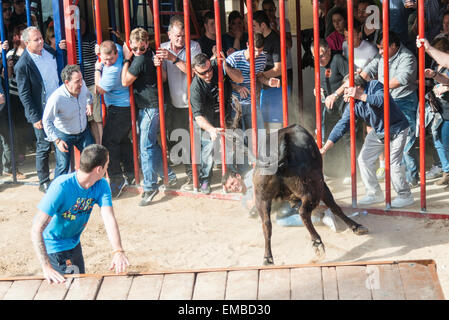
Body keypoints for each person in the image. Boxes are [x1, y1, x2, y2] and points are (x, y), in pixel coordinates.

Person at [30, 144, 130, 284]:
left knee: (79, 285)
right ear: (99, 169)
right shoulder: (61, 187)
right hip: (55, 246)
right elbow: (36, 228)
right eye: (107, 165)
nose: (108, 168)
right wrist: (46, 267)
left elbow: (108, 217)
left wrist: (118, 250)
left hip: (74, 243)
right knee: (71, 289)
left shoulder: (101, 185)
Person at [320, 74, 414, 208]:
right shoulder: (353, 104)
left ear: (357, 86)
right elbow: (341, 126)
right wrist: (324, 148)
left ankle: (405, 196)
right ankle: (374, 193)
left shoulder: (374, 85)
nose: (345, 92)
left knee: (393, 163)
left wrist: (359, 96)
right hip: (379, 131)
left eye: (347, 88)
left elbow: (382, 100)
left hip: (397, 127)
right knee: (363, 159)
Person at [122, 28, 178, 206]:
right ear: (131, 45)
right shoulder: (151, 53)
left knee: (145, 147)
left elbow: (124, 82)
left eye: (141, 48)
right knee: (150, 144)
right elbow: (162, 78)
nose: (139, 51)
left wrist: (126, 59)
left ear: (146, 44)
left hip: (149, 107)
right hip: (153, 105)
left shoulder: (138, 60)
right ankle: (168, 175)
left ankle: (150, 186)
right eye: (136, 48)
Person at [361, 31, 420, 188]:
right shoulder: (381, 57)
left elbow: (400, 80)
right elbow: (366, 72)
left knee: (406, 143)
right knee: (385, 139)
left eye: (382, 48)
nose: (380, 52)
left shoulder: (407, 57)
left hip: (404, 102)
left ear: (394, 45)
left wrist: (373, 91)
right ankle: (396, 176)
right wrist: (359, 80)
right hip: (386, 101)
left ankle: (411, 177)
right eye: (379, 48)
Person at [156, 15, 202, 191]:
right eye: (177, 36)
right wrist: (158, 65)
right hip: (175, 103)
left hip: (192, 102)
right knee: (176, 141)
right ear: (169, 34)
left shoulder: (194, 46)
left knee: (192, 141)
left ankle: (194, 177)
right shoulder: (163, 48)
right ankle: (188, 173)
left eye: (183, 35)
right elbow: (164, 79)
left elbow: (193, 71)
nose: (180, 39)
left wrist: (173, 58)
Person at [15, 26, 60, 193]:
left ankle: (61, 176)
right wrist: (34, 117)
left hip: (59, 106)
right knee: (44, 146)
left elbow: (59, 58)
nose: (41, 41)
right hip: (42, 111)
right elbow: (24, 94)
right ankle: (43, 181)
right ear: (27, 43)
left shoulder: (48, 50)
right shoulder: (23, 65)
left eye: (41, 38)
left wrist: (60, 47)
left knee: (62, 140)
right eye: (36, 40)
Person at [190, 53, 242, 194]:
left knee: (230, 144)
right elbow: (198, 116)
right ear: (195, 71)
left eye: (209, 70)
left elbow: (240, 78)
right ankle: (205, 179)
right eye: (203, 73)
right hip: (206, 121)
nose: (208, 74)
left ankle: (231, 175)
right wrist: (212, 130)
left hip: (223, 115)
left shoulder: (218, 67)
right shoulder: (195, 88)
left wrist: (225, 65)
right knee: (209, 147)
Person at [95, 40, 134, 198]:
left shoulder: (112, 70)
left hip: (119, 109)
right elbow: (114, 44)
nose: (107, 62)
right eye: (104, 60)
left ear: (116, 55)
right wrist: (100, 51)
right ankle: (131, 173)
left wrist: (98, 69)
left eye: (110, 59)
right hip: (124, 108)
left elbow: (99, 90)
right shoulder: (116, 50)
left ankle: (117, 180)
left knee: (109, 143)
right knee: (122, 141)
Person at [42, 65, 94, 178]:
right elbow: (46, 121)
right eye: (77, 81)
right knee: (63, 166)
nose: (81, 83)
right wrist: (57, 140)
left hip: (83, 131)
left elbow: (88, 94)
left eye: (81, 79)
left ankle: (88, 189)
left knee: (92, 158)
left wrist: (89, 103)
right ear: (67, 82)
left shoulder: (82, 85)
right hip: (64, 134)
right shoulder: (56, 98)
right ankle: (57, 193)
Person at [226, 32, 280, 132]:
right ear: (247, 45)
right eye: (254, 50)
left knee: (260, 135)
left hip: (252, 103)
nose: (257, 54)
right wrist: (237, 87)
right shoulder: (233, 59)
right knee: (238, 137)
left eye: (260, 51)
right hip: (235, 104)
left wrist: (268, 82)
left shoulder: (262, 58)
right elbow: (223, 81)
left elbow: (259, 76)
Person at [417, 37, 449, 188]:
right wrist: (433, 76)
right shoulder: (439, 67)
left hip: (447, 111)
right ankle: (446, 171)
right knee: (439, 142)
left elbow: (447, 81)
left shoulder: (446, 66)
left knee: (445, 143)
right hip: (440, 110)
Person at [253, 10, 282, 129]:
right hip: (260, 88)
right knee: (260, 123)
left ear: (263, 25)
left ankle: (273, 147)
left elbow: (278, 69)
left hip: (273, 88)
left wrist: (258, 75)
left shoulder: (275, 40)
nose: (252, 29)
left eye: (254, 26)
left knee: (273, 124)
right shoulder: (254, 38)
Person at [262, 0, 293, 92]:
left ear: (275, 10)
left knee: (286, 96)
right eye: (265, 11)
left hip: (285, 66)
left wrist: (275, 29)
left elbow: (289, 44)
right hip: (267, 67)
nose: (268, 13)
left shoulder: (284, 22)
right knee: (268, 98)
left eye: (270, 10)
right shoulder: (261, 25)